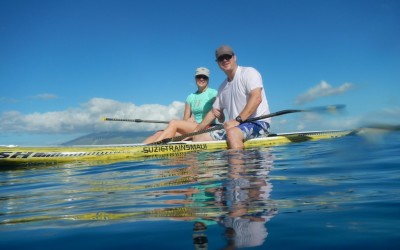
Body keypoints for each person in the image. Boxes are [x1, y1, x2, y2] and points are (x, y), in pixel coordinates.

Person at [193, 45, 271, 149]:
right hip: (235, 127)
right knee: (198, 138)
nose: (225, 60)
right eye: (221, 58)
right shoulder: (222, 87)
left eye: (227, 56)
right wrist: (196, 130)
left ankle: (237, 165)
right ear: (218, 63)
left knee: (232, 133)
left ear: (234, 57)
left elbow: (257, 98)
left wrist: (237, 120)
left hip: (258, 123)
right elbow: (213, 112)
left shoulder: (249, 72)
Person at [143, 67, 221, 144]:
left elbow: (219, 115)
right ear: (195, 78)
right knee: (159, 133)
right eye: (199, 77)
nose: (201, 79)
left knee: (173, 122)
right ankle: (140, 149)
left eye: (204, 77)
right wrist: (189, 121)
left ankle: (154, 147)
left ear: (208, 79)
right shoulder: (190, 97)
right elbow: (185, 119)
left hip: (206, 127)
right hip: (192, 127)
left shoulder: (213, 93)